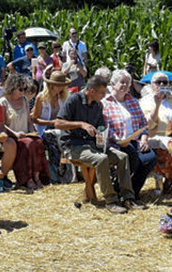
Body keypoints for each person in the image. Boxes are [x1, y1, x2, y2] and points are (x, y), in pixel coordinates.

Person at [53, 75, 137, 213]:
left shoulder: (98, 105)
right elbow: (58, 123)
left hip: (93, 145)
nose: (104, 96)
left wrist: (103, 135)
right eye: (102, 93)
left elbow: (100, 128)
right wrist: (81, 124)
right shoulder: (74, 100)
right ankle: (111, 201)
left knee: (122, 157)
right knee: (101, 159)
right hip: (73, 145)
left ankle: (128, 197)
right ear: (92, 91)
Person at [102, 70, 156, 200]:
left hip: (135, 139)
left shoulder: (132, 101)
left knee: (150, 158)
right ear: (113, 83)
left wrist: (144, 138)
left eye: (128, 83)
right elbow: (104, 127)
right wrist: (117, 139)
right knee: (133, 158)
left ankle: (133, 190)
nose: (125, 85)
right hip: (116, 142)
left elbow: (143, 123)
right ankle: (119, 189)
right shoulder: (105, 103)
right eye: (122, 82)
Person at [140, 72, 172, 193]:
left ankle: (171, 180)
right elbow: (149, 125)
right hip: (155, 136)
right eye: (159, 82)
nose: (162, 84)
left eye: (165, 82)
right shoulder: (145, 101)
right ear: (153, 85)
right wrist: (157, 105)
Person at [0, 74, 47, 192]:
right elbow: (1, 124)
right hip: (11, 136)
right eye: (21, 89)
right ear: (12, 87)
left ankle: (37, 176)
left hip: (26, 134)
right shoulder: (3, 102)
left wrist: (32, 131)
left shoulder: (25, 100)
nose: (23, 92)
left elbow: (29, 121)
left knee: (38, 142)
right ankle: (27, 179)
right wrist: (15, 133)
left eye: (25, 89)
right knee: (28, 145)